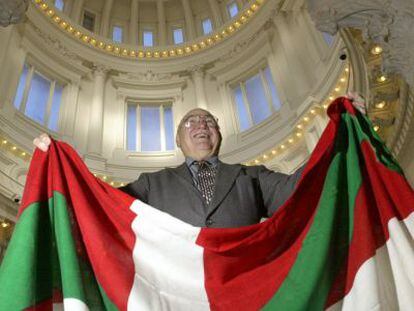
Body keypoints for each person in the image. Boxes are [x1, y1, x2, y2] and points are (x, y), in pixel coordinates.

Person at [34, 94, 366, 228]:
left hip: (241, 288)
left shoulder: (251, 176)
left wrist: (341, 136)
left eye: (209, 121)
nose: (202, 126)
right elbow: (102, 206)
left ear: (219, 135)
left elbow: (302, 189)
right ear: (178, 139)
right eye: (191, 122)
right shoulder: (152, 184)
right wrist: (58, 167)